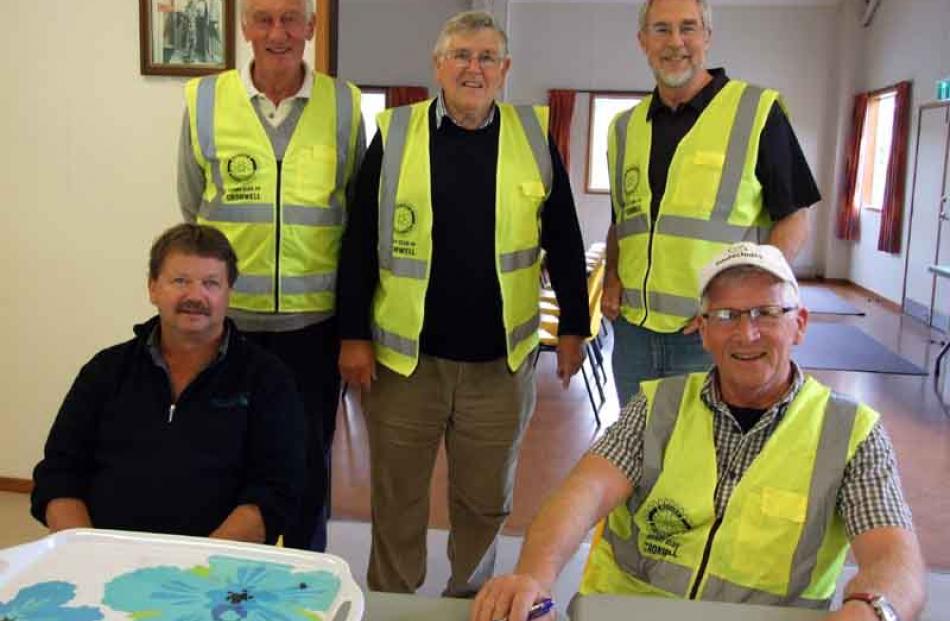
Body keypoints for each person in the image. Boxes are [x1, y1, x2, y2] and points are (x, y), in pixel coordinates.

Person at [472, 242, 926, 621]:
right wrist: (534, 575)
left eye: (766, 313)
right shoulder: (657, 406)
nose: (746, 334)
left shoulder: (851, 433)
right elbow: (583, 492)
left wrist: (873, 609)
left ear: (799, 324)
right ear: (703, 331)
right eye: (726, 316)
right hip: (630, 614)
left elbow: (893, 555)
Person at [336, 10, 591, 597]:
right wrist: (353, 335)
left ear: (504, 70)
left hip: (498, 368)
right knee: (396, 499)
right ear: (438, 66)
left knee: (482, 503)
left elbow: (566, 236)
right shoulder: (396, 134)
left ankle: (468, 600)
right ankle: (393, 602)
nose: (472, 68)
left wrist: (574, 325)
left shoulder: (533, 136)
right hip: (407, 365)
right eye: (460, 56)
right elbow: (359, 240)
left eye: (485, 58)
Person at [177, 0, 364, 551]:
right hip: (225, 327)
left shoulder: (344, 104)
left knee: (306, 460)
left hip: (313, 327)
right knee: (223, 457)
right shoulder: (204, 100)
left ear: (312, 27)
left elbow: (357, 218)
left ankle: (302, 578)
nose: (276, 32)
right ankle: (224, 574)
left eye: (290, 19)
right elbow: (194, 209)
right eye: (263, 18)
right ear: (244, 27)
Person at [601, 0, 820, 408]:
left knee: (712, 461)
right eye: (661, 29)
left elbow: (794, 218)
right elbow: (623, 223)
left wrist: (746, 308)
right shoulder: (623, 128)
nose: (676, 42)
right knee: (641, 455)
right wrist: (612, 276)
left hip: (715, 335)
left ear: (707, 37)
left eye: (688, 28)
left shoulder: (756, 111)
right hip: (633, 333)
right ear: (643, 41)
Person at [31, 224, 305, 545]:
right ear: (152, 288)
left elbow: (277, 492)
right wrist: (88, 552)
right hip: (104, 559)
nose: (195, 296)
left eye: (211, 283)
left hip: (215, 569)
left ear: (229, 293)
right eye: (180, 281)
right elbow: (59, 474)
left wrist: (198, 564)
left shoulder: (267, 378)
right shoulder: (105, 370)